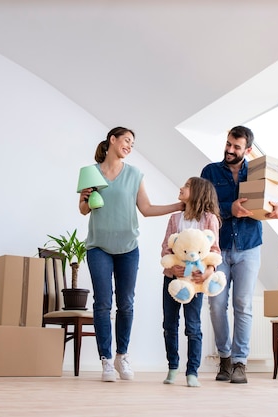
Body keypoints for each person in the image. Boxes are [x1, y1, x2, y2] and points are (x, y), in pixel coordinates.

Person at [79, 126, 184, 382]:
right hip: (98, 247)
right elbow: (84, 210)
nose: (129, 146)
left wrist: (180, 205)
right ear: (112, 140)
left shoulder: (135, 174)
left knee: (125, 304)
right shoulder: (91, 173)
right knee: (103, 304)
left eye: (132, 144)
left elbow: (146, 209)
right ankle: (105, 360)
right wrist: (85, 198)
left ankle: (121, 355)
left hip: (128, 248)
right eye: (126, 140)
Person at [200, 126, 278, 384]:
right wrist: (229, 209)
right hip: (218, 248)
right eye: (228, 144)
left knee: (243, 304)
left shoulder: (257, 171)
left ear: (248, 150)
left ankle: (240, 363)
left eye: (236, 147)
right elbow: (203, 207)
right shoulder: (210, 172)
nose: (230, 150)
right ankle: (225, 358)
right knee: (217, 305)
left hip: (249, 247)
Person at [160, 177, 222, 388]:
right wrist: (171, 268)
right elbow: (166, 248)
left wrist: (208, 272)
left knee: (193, 326)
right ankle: (173, 366)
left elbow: (214, 251)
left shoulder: (208, 219)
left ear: (198, 192)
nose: (181, 187)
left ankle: (192, 371)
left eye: (186, 186)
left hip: (195, 282)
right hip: (172, 279)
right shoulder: (174, 219)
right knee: (169, 324)